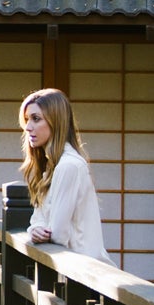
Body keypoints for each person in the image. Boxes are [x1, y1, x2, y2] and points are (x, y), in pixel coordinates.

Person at [18, 87, 112, 264]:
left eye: (36, 119)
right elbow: (38, 220)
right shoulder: (52, 166)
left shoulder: (69, 166)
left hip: (85, 271)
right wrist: (35, 229)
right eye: (26, 119)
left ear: (56, 121)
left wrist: (41, 230)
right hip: (71, 268)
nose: (28, 127)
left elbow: (58, 234)